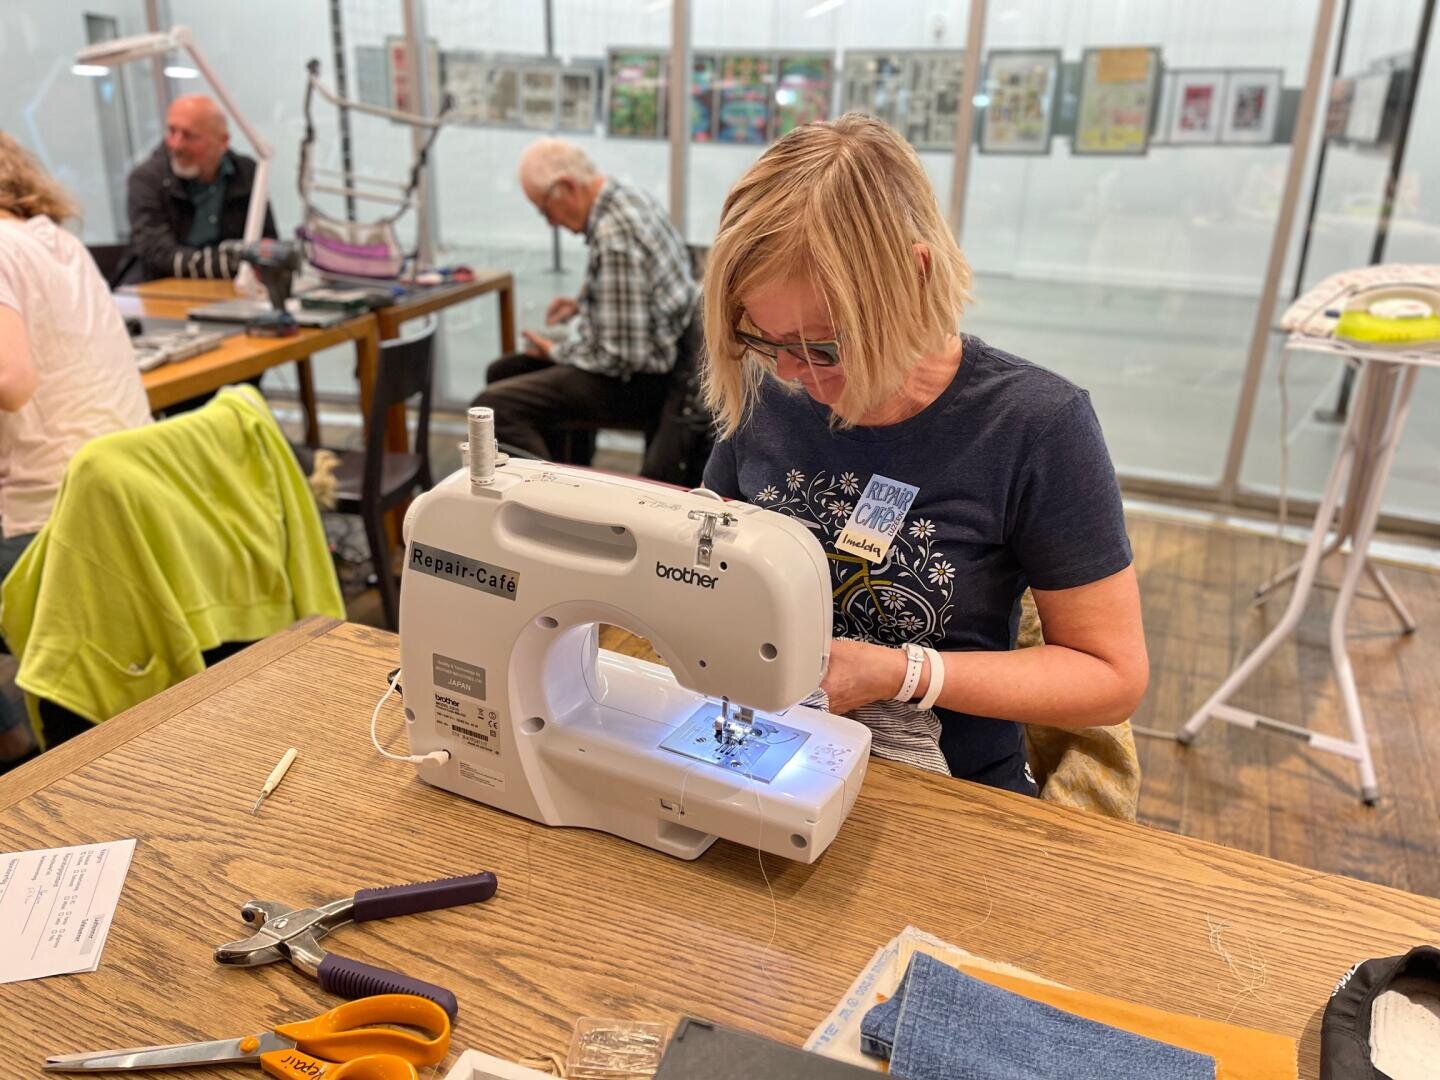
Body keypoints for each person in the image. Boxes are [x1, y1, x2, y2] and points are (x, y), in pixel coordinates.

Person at [700, 115, 1148, 796]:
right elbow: (711, 561)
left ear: (914, 275)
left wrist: (902, 673)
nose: (791, 373)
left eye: (824, 346)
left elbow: (1110, 677)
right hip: (769, 748)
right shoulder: (770, 393)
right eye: (763, 339)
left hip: (951, 788)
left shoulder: (1036, 427)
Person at [0, 132, 153, 765]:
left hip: (46, 534)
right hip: (125, 506)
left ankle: (17, 751)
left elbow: (11, 382)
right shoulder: (59, 242)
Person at [472, 139, 697, 464]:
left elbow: (618, 356)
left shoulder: (614, 236)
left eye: (544, 210)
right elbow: (642, 285)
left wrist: (555, 350)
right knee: (504, 370)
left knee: (494, 406)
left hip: (641, 383)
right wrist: (583, 302)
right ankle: (571, 462)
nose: (550, 222)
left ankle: (555, 496)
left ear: (566, 187)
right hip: (662, 357)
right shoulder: (626, 196)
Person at [127, 94, 277, 280]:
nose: (176, 145)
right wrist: (234, 262)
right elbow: (158, 254)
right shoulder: (146, 179)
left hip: (231, 289)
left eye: (189, 136)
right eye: (172, 131)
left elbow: (267, 244)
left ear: (222, 141)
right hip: (163, 289)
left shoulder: (247, 173)